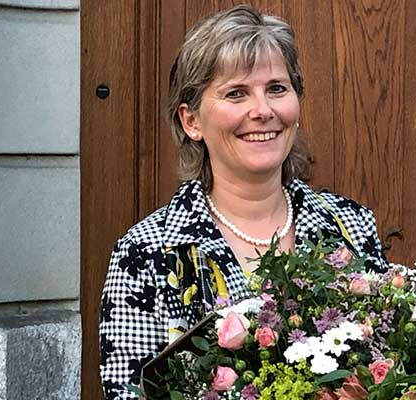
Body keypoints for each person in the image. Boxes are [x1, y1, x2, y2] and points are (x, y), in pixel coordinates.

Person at [98, 5, 387, 399]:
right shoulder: (148, 253)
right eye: (236, 93)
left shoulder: (349, 226)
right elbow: (130, 393)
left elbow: (389, 368)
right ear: (191, 121)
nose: (262, 110)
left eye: (276, 89)